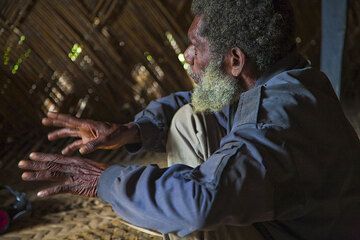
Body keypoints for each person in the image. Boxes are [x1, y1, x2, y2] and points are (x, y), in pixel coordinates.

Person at [18, 0, 360, 239]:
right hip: (290, 220)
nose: (187, 55)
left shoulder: (272, 124)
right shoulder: (291, 79)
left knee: (189, 212)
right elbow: (198, 102)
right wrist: (131, 131)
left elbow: (201, 203)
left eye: (196, 46)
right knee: (188, 117)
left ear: (235, 60)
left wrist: (104, 181)